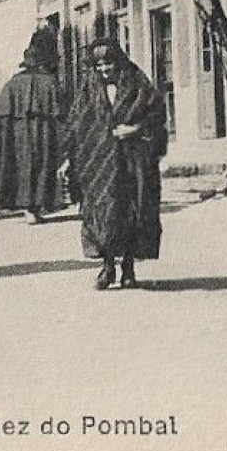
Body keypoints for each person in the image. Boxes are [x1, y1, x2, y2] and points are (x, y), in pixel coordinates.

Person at [66, 38, 169, 291]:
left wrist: (135, 129)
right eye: (98, 65)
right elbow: (76, 124)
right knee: (101, 212)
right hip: (97, 163)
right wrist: (69, 159)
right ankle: (107, 266)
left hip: (132, 161)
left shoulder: (137, 81)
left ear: (119, 61)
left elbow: (157, 116)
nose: (104, 70)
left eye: (108, 64)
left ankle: (129, 268)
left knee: (132, 212)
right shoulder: (88, 87)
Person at [0, 28, 65, 223]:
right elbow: (61, 113)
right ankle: (37, 206)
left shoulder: (12, 83)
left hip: (18, 134)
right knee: (43, 165)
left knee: (21, 167)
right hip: (43, 132)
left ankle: (26, 207)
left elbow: (1, 116)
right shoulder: (50, 82)